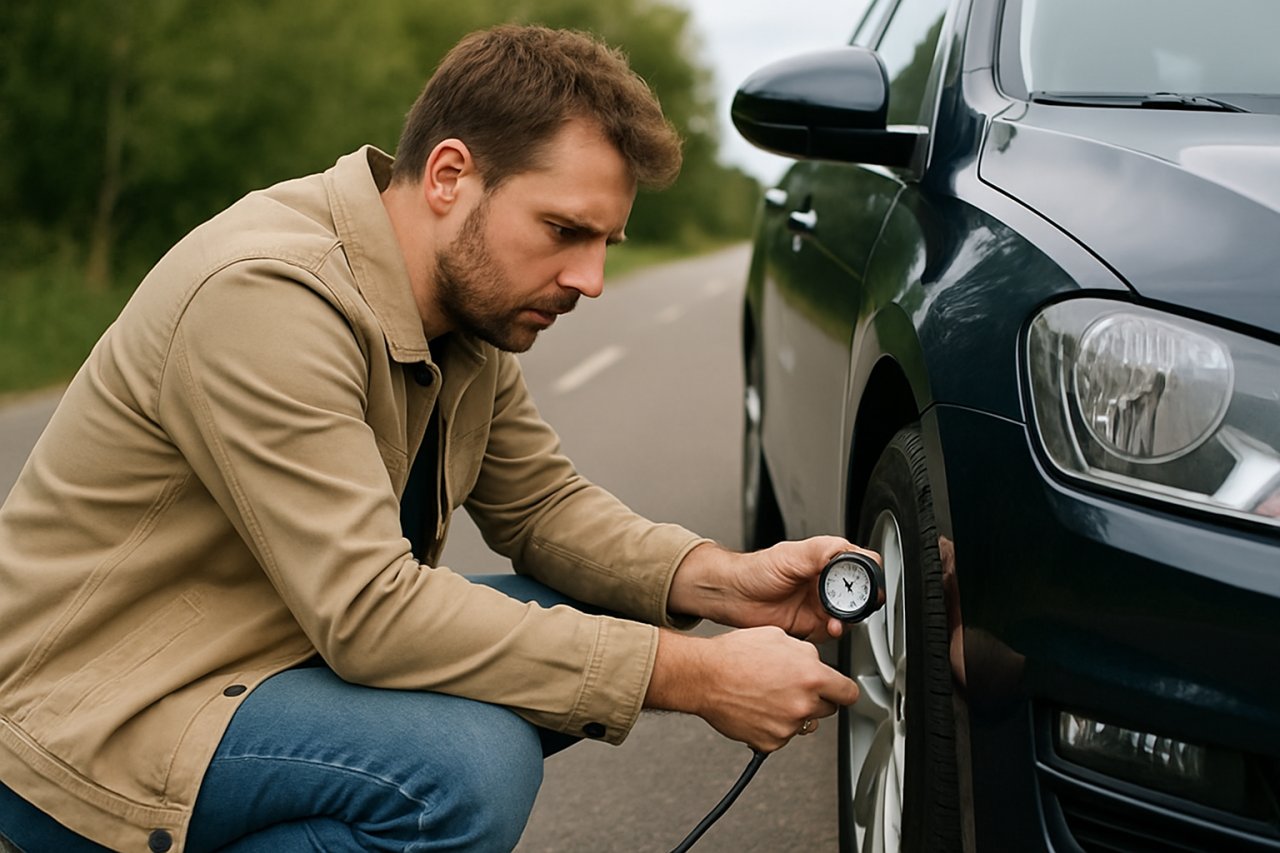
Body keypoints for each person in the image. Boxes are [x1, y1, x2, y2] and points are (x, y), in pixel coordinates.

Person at [0, 24, 869, 853]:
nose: (591, 280)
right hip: (85, 728)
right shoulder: (264, 295)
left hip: (263, 656)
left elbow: (543, 510)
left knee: (605, 611)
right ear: (450, 175)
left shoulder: (465, 308)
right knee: (459, 768)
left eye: (607, 242)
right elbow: (372, 612)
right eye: (565, 231)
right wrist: (697, 675)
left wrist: (724, 584)